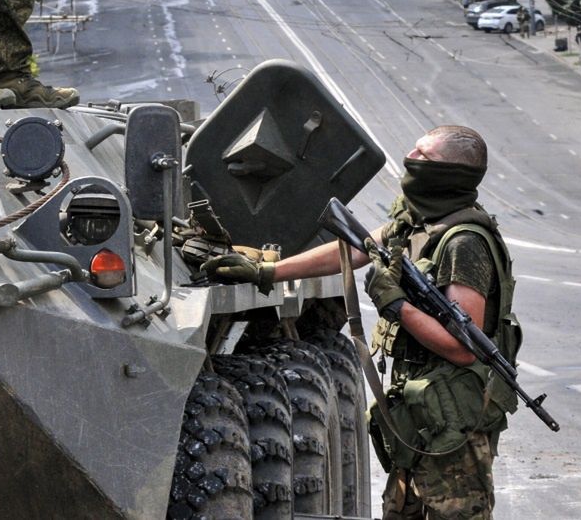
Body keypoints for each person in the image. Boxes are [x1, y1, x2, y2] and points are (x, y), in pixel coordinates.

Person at [203, 125, 518, 519]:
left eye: (425, 156)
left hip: (452, 421)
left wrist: (397, 304)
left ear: (452, 173)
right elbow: (354, 249)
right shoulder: (418, 223)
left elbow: (462, 348)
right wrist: (268, 271)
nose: (412, 159)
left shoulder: (463, 243)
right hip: (423, 409)